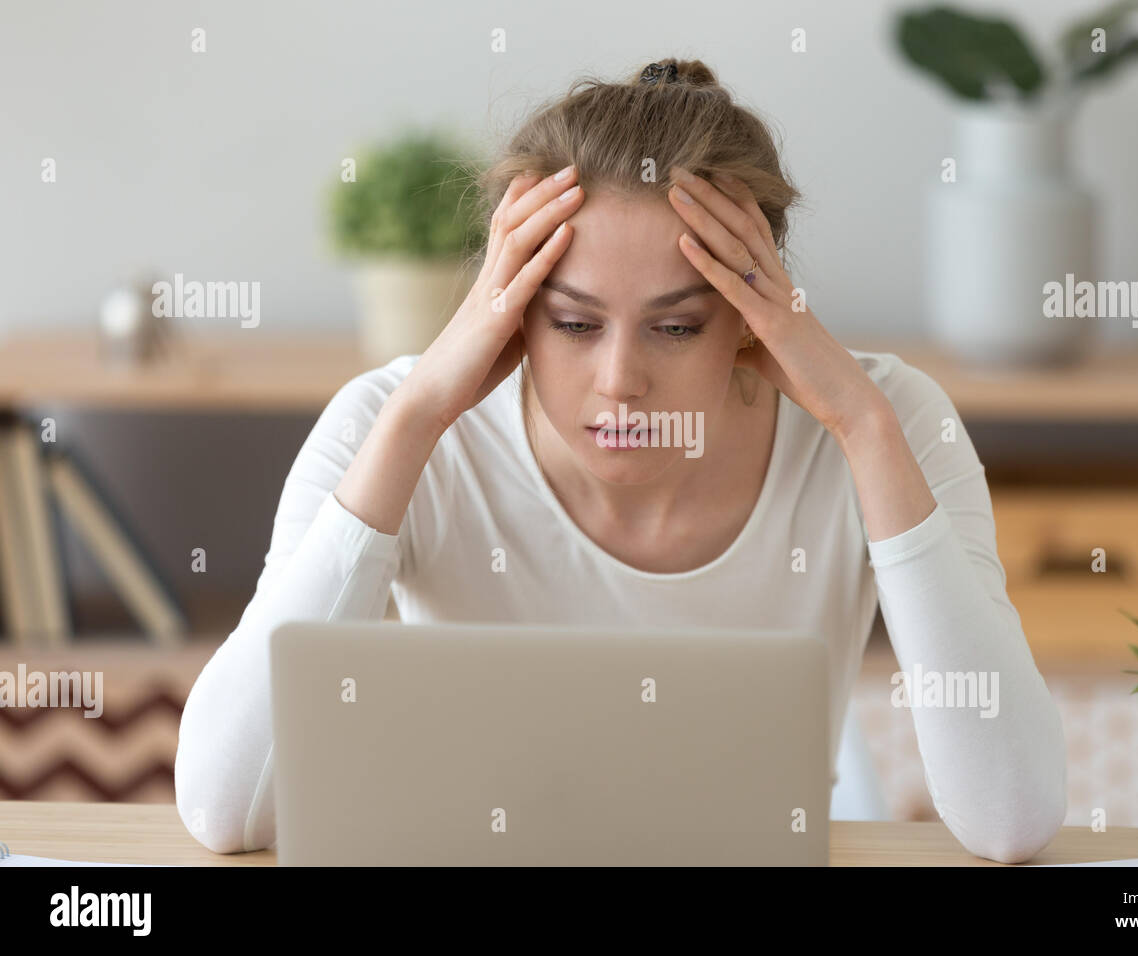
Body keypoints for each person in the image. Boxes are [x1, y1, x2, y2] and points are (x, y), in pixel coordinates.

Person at [174, 58, 1067, 861]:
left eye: (677, 326)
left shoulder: (884, 422)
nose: (620, 381)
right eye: (571, 322)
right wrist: (416, 418)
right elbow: (226, 811)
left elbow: (1011, 818)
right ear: (509, 309)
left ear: (757, 317)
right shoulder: (392, 425)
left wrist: (867, 431)